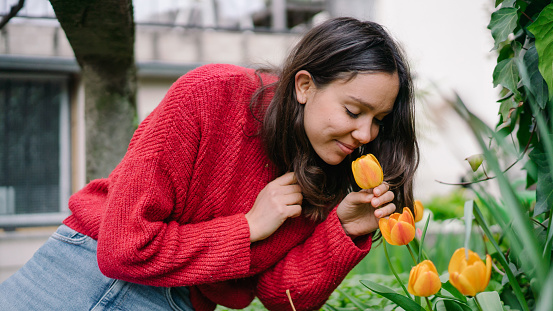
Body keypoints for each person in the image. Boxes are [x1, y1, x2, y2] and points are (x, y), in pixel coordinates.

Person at [0, 17, 419, 311]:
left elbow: (280, 296)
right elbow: (124, 248)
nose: (367, 135)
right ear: (305, 85)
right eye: (353, 111)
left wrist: (342, 230)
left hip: (181, 300)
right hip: (84, 278)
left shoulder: (324, 169)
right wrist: (249, 227)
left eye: (378, 120)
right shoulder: (212, 96)